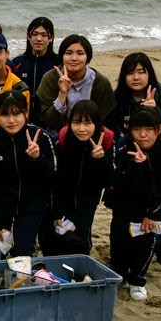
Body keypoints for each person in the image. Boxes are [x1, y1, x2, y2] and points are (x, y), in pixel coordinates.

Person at [107, 52, 161, 271]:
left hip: (159, 164)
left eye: (141, 72)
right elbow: (112, 132)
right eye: (130, 72)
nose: (136, 77)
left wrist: (154, 110)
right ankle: (119, 260)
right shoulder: (118, 99)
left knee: (153, 212)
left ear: (150, 74)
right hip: (129, 162)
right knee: (123, 214)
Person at [108, 106, 161, 301]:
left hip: (157, 198)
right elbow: (115, 182)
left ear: (159, 129)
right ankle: (120, 271)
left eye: (149, 129)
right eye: (137, 129)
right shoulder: (121, 146)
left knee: (148, 233)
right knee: (120, 233)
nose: (142, 135)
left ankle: (137, 279)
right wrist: (138, 168)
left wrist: (154, 214)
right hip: (126, 198)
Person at [0, 92, 56, 258]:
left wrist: (37, 159)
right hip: (2, 205)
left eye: (16, 113)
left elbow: (54, 176)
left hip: (31, 204)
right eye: (5, 114)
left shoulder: (42, 138)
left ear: (26, 113)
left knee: (22, 251)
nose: (11, 120)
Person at [42, 99, 113, 256]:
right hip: (62, 194)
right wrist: (57, 211)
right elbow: (54, 179)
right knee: (55, 233)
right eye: (76, 122)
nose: (81, 129)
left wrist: (100, 160)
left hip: (88, 196)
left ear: (96, 123)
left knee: (80, 235)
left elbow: (109, 181)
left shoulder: (106, 142)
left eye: (88, 123)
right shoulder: (61, 141)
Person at [35, 33, 116, 132]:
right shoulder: (50, 79)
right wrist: (62, 94)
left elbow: (105, 120)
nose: (74, 58)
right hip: (58, 136)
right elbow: (50, 122)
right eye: (68, 53)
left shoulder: (100, 82)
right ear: (62, 56)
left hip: (92, 136)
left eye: (80, 53)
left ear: (88, 58)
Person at [10, 17, 62, 97]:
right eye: (35, 34)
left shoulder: (58, 63)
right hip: (23, 108)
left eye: (44, 35)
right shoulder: (17, 63)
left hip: (49, 108)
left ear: (51, 37)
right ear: (28, 36)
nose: (38, 39)